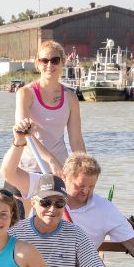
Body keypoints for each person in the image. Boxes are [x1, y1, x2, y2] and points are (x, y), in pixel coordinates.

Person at [8, 175, 131, 267]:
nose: (52, 209)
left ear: (65, 205)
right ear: (33, 203)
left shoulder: (77, 235)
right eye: (45, 203)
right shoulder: (14, 233)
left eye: (59, 203)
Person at [15, 40, 86, 176]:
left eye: (55, 60)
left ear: (62, 62)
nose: (49, 65)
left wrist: (84, 170)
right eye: (44, 61)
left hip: (60, 169)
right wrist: (50, 160)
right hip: (30, 168)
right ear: (38, 64)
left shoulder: (71, 98)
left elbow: (76, 140)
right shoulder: (25, 93)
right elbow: (23, 134)